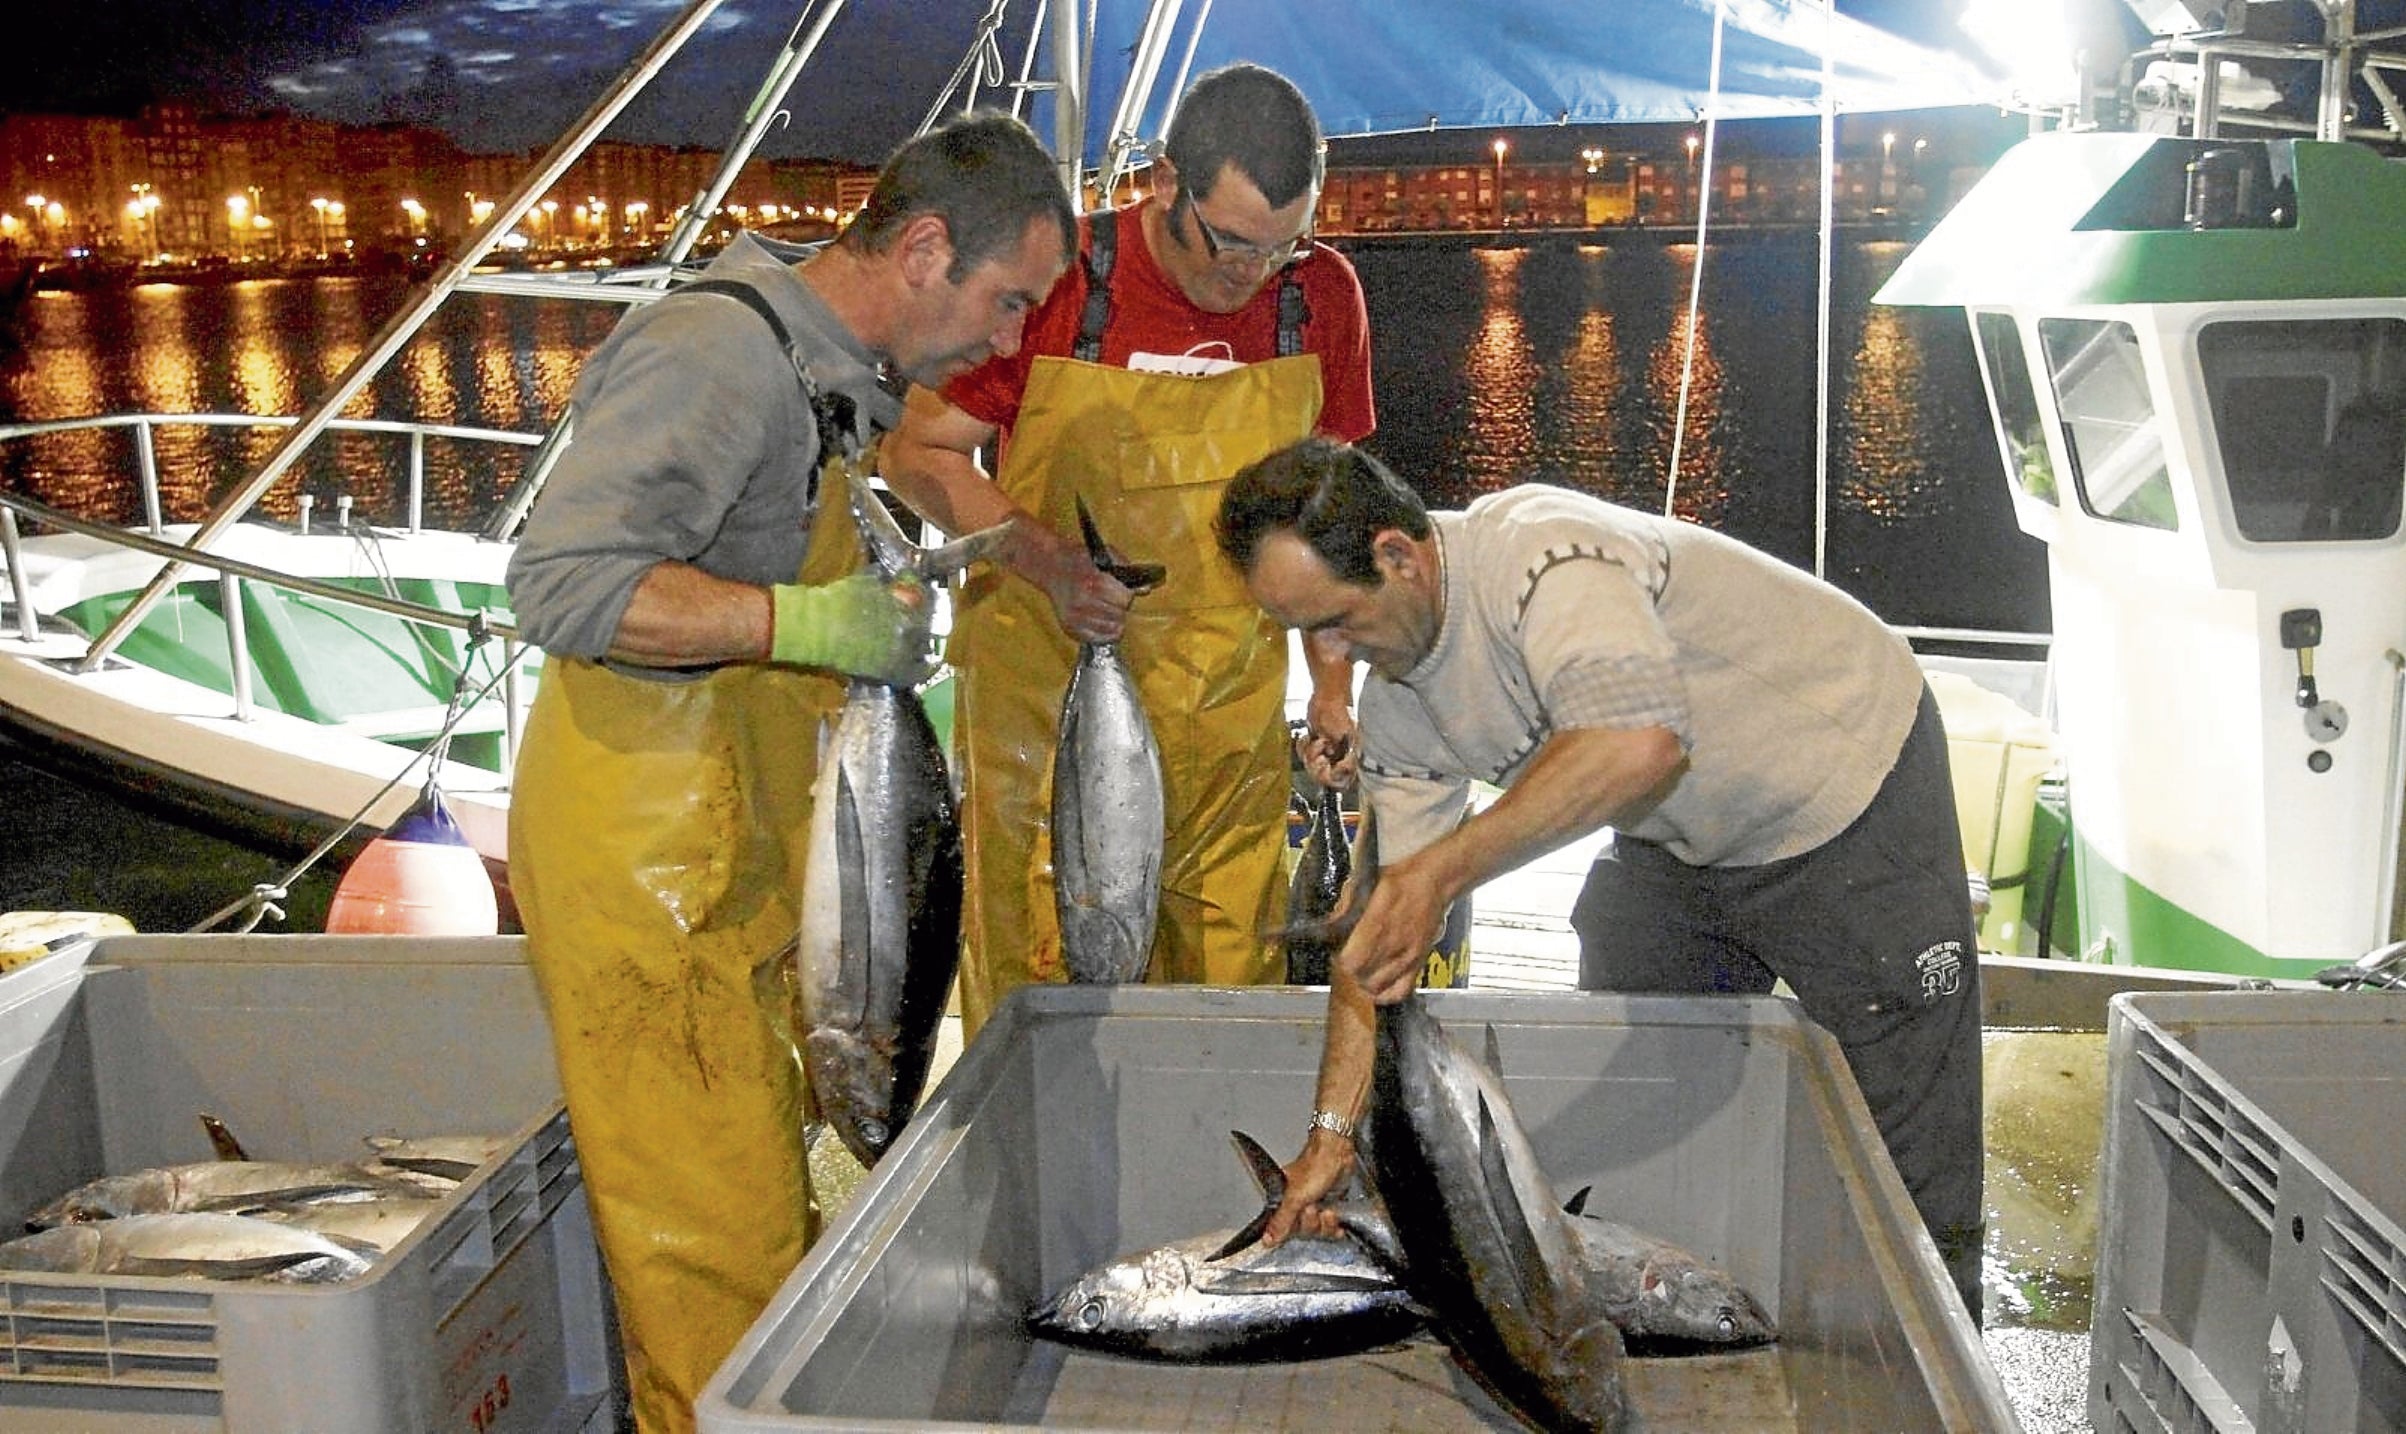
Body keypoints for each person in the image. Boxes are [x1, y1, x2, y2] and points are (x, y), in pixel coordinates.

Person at [504, 114, 1073, 1432]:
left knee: (793, 1233)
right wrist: (803, 627)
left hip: (742, 854)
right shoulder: (718, 351)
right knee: (722, 1280)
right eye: (1007, 301)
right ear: (925, 248)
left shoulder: (838, 367)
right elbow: (563, 582)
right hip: (644, 871)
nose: (1008, 337)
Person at [1213, 437, 1987, 1319]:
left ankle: (1931, 1358)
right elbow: (1378, 943)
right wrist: (1330, 1137)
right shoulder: (1401, 709)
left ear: (1400, 556)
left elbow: (1636, 744)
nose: (1332, 655)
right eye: (1304, 635)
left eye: (1336, 620)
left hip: (1845, 787)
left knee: (1907, 1142)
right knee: (1649, 1082)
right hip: (1676, 839)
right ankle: (1690, 1302)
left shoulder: (1542, 556)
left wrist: (1440, 870)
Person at [880, 63, 1375, 1036]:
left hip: (1224, 716)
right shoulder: (1055, 280)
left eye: (1287, 245)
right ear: (1161, 181)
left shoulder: (1320, 295)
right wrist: (1051, 565)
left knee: (1230, 989)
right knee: (1049, 983)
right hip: (1044, 707)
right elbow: (919, 454)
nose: (1255, 274)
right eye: (1232, 242)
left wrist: (1330, 689)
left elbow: (1328, 512)